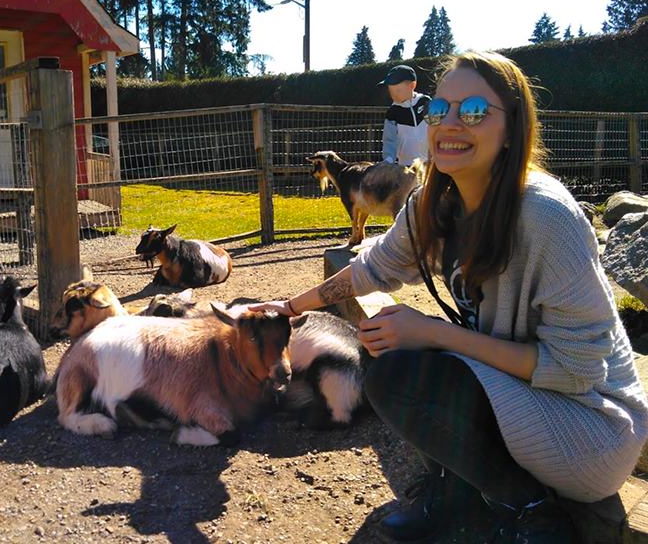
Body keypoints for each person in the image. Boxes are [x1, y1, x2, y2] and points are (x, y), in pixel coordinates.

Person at [252, 51, 648, 543]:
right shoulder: (432, 205)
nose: (450, 123)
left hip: (589, 430)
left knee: (404, 360)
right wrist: (287, 308)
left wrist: (435, 333)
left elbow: (576, 371)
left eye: (475, 111)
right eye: (440, 110)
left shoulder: (547, 218)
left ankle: (530, 511)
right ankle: (459, 490)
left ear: (513, 128)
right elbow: (372, 269)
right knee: (388, 348)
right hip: (526, 395)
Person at [380, 64, 431, 167]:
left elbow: (437, 127)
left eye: (398, 90)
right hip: (406, 166)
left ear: (412, 86)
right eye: (391, 91)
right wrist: (388, 160)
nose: (394, 95)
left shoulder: (426, 102)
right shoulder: (393, 112)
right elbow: (389, 138)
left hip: (431, 162)